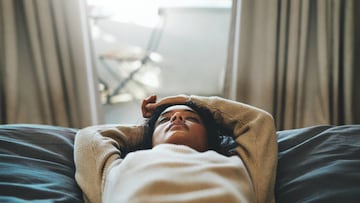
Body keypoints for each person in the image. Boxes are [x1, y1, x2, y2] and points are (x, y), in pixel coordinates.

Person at [74, 95, 277, 203]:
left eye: (191, 118)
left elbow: (260, 122)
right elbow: (90, 137)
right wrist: (146, 130)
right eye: (166, 120)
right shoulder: (121, 167)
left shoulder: (238, 166)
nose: (177, 117)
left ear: (210, 136)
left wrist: (186, 99)